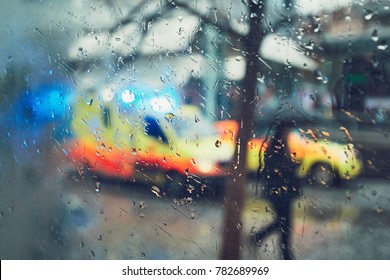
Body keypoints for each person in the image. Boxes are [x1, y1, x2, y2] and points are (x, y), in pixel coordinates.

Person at [255, 119, 302, 260]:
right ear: (281, 130)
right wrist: (292, 166)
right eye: (287, 129)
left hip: (284, 191)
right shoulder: (274, 147)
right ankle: (285, 254)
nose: (289, 133)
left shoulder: (284, 145)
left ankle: (284, 253)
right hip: (278, 192)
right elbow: (274, 168)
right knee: (284, 222)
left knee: (284, 222)